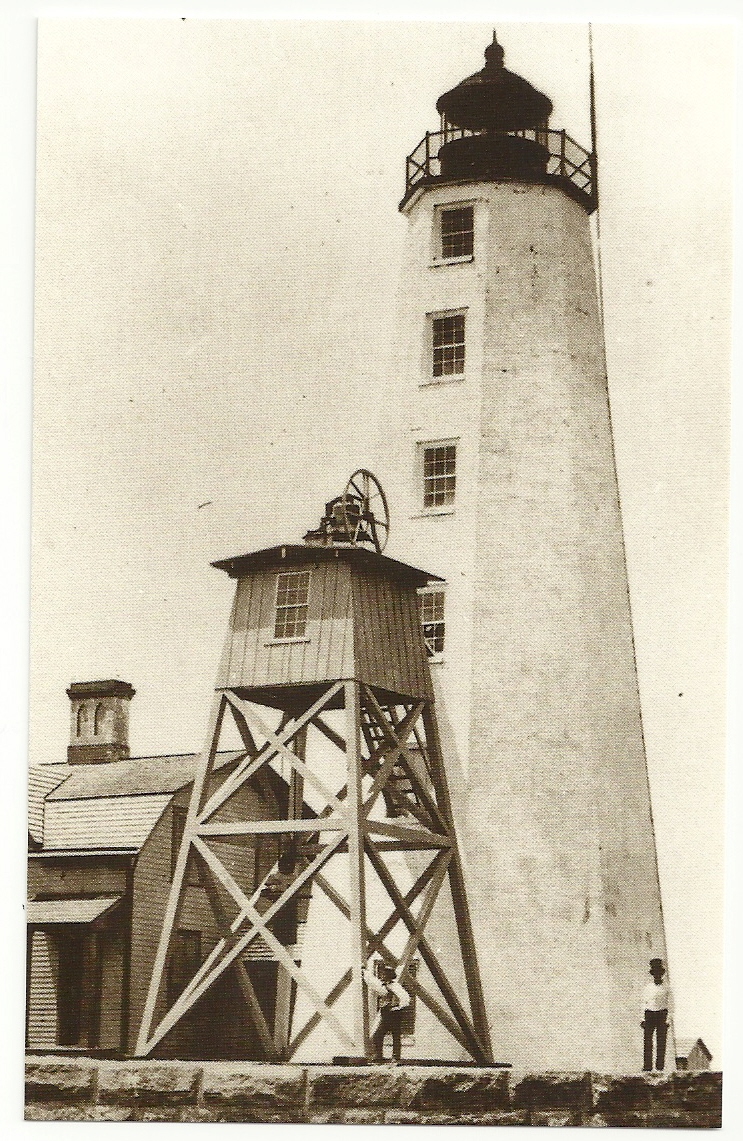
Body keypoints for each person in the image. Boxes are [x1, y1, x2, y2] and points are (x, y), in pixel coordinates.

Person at [362, 960, 411, 1063]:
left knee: (395, 1036)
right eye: (382, 974)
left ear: (389, 976)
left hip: (394, 1015)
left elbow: (405, 998)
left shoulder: (395, 986)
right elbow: (372, 982)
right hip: (385, 1014)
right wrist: (364, 972)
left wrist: (397, 1007)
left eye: (384, 974)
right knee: (378, 1035)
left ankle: (395, 1057)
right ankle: (378, 1056)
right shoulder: (382, 986)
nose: (382, 976)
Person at [642, 957, 673, 1071]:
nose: (657, 976)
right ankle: (647, 1066)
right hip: (649, 1014)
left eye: (659, 973)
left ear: (662, 974)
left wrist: (668, 1019)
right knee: (648, 1041)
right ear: (653, 974)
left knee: (661, 1041)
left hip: (662, 1014)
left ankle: (660, 1066)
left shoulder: (667, 988)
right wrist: (642, 1018)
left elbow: (671, 1004)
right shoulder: (648, 988)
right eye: (655, 973)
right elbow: (643, 1002)